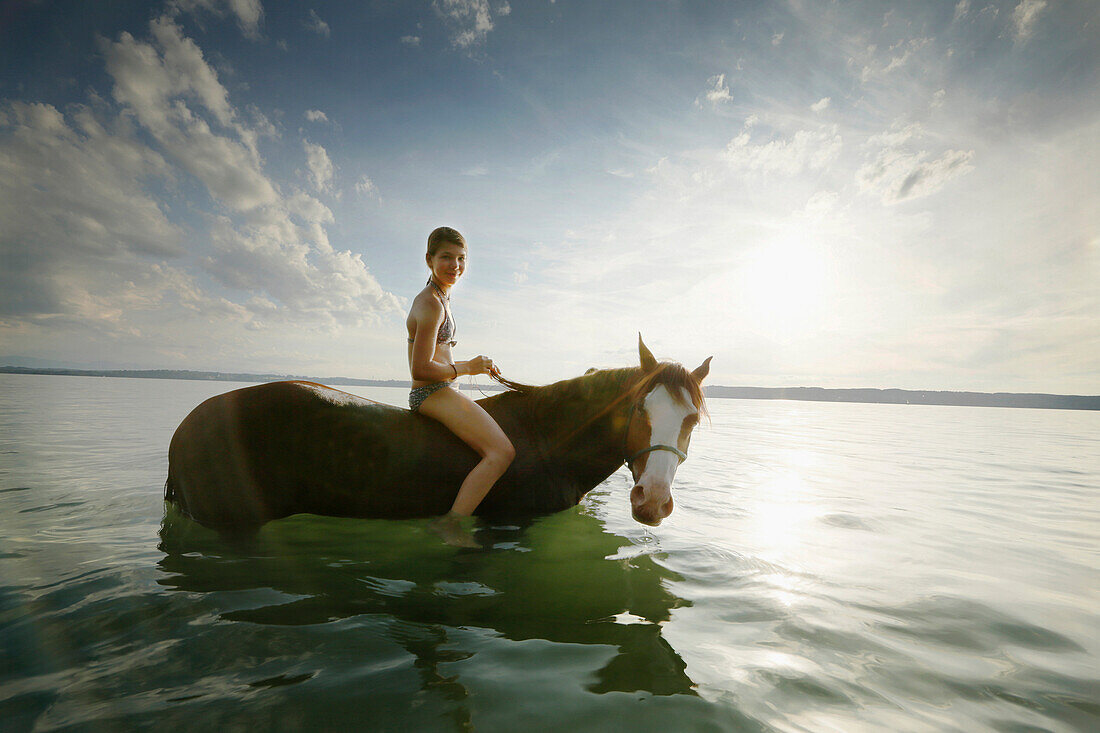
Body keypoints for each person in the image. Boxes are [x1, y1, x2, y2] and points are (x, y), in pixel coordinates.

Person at [406, 227, 515, 542]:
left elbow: (439, 356)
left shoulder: (441, 297)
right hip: (430, 393)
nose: (455, 266)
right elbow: (420, 368)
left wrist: (472, 367)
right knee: (502, 452)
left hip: (442, 390)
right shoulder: (431, 303)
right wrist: (468, 368)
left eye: (461, 259)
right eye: (446, 258)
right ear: (429, 260)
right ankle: (450, 524)